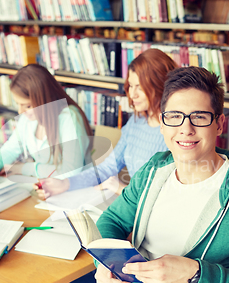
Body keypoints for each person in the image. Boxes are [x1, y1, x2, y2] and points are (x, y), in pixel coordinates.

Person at [14, 67, 229, 283]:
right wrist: (104, 265)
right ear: (162, 123)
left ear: (219, 124)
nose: (185, 129)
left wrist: (197, 274)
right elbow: (113, 220)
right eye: (174, 117)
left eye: (199, 117)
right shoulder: (156, 169)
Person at [36, 48, 177, 198]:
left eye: (140, 87)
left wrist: (121, 189)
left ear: (160, 86)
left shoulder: (177, 132)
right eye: (130, 86)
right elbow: (108, 167)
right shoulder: (135, 123)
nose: (132, 94)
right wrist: (65, 184)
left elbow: (168, 196)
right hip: (132, 205)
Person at [0, 64, 92, 179]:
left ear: (44, 101)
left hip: (77, 189)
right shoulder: (28, 119)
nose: (20, 111)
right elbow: (11, 149)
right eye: (18, 104)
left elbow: (70, 171)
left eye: (27, 106)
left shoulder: (69, 118)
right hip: (47, 185)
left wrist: (23, 168)